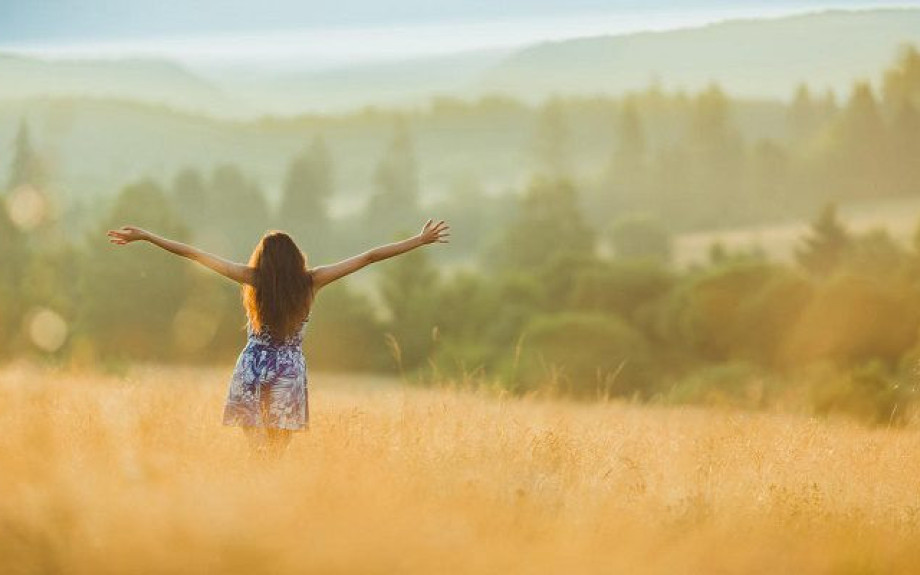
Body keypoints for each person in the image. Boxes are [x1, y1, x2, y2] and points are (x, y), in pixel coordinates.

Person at [107, 219, 450, 459]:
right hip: (288, 370)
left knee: (255, 449)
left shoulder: (251, 278)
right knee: (275, 452)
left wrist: (148, 236)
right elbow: (369, 257)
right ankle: (269, 505)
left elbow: (194, 254)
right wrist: (418, 241)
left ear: (263, 260)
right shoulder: (311, 281)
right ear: (295, 258)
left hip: (253, 366)